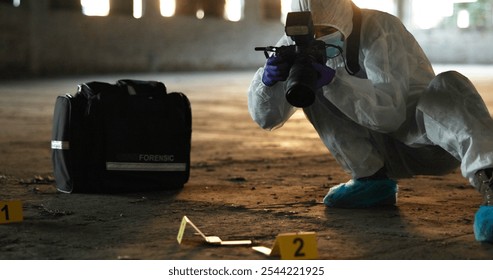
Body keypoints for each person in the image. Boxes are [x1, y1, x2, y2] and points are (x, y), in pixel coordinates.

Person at [247, 0, 493, 243]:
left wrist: (335, 82)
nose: (318, 39)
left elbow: (390, 113)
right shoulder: (295, 41)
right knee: (311, 85)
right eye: (314, 32)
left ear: (340, 17)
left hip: (433, 143)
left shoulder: (379, 27)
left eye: (326, 31)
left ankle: (489, 175)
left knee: (449, 85)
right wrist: (269, 83)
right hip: (381, 149)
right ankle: (370, 179)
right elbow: (267, 119)